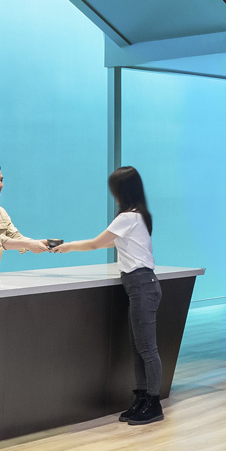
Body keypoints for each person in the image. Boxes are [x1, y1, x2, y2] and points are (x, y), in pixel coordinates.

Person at [52, 167, 165, 425]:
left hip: (141, 285)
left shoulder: (128, 217)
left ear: (121, 191)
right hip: (140, 284)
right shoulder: (140, 216)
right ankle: (142, 397)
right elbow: (109, 242)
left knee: (147, 348)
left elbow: (95, 243)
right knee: (140, 348)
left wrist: (67, 246)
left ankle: (154, 402)